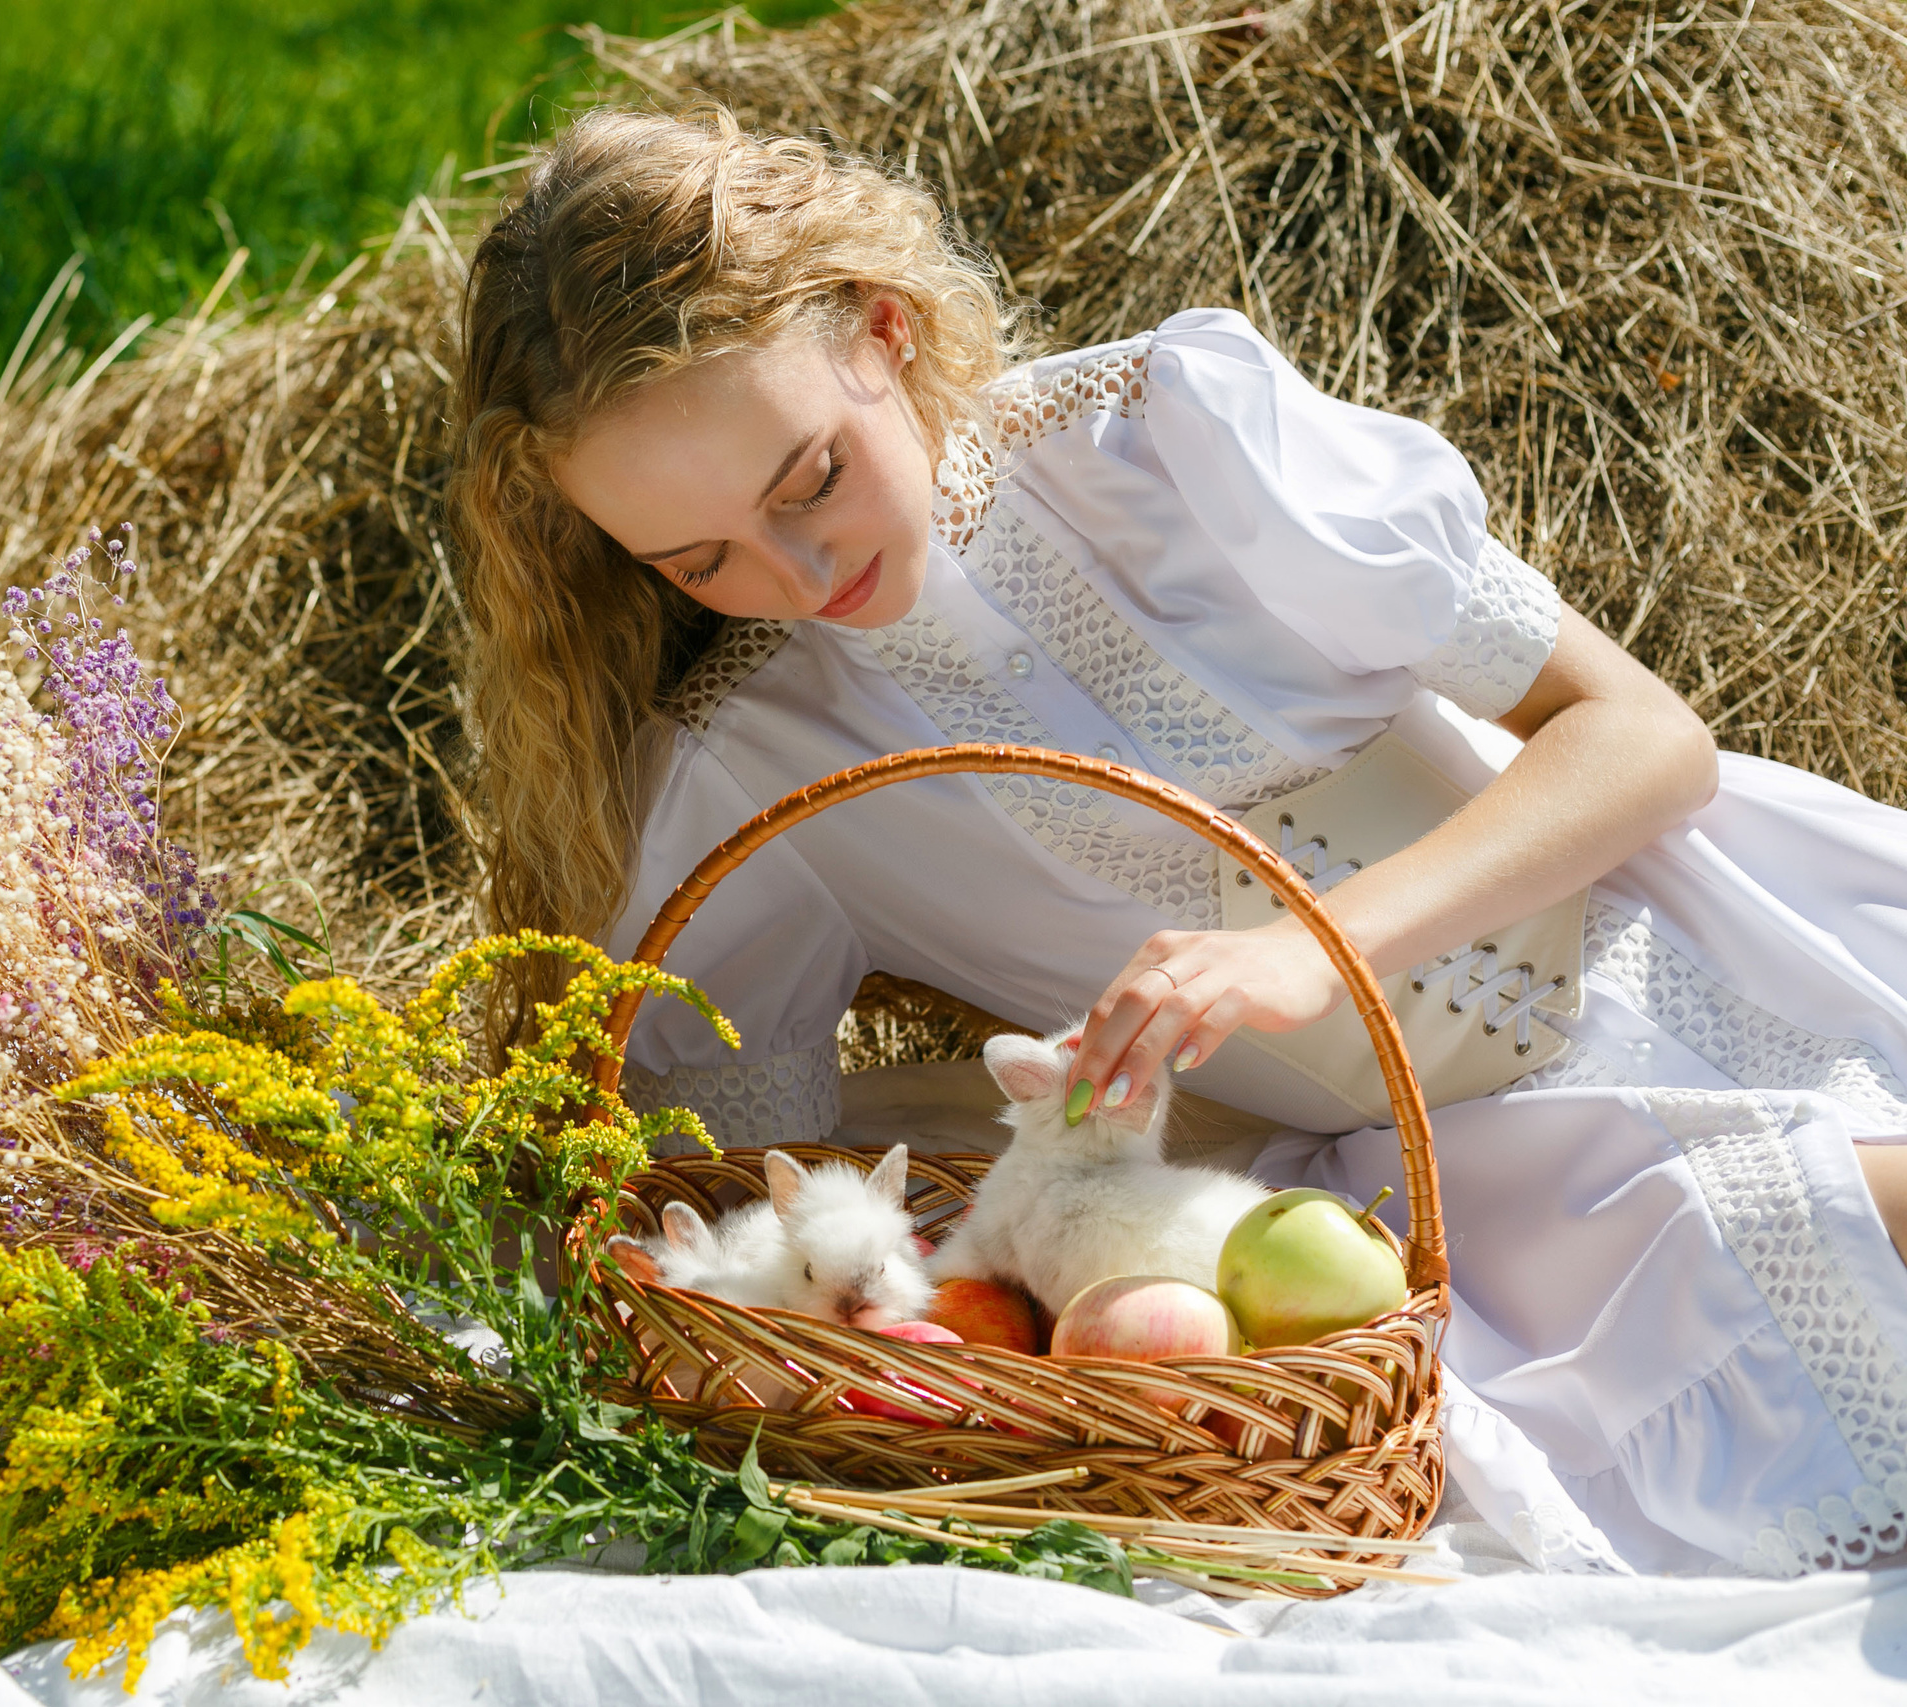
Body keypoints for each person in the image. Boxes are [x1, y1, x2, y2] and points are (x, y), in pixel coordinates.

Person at [449, 106, 1907, 1579]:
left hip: (1692, 924)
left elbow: (1647, 739)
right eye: (702, 562)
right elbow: (733, 1173)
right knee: (1809, 1228)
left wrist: (1309, 950)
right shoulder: (742, 770)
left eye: (811, 480)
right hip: (1466, 1177)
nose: (802, 574)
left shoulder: (1164, 440)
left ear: (880, 332)